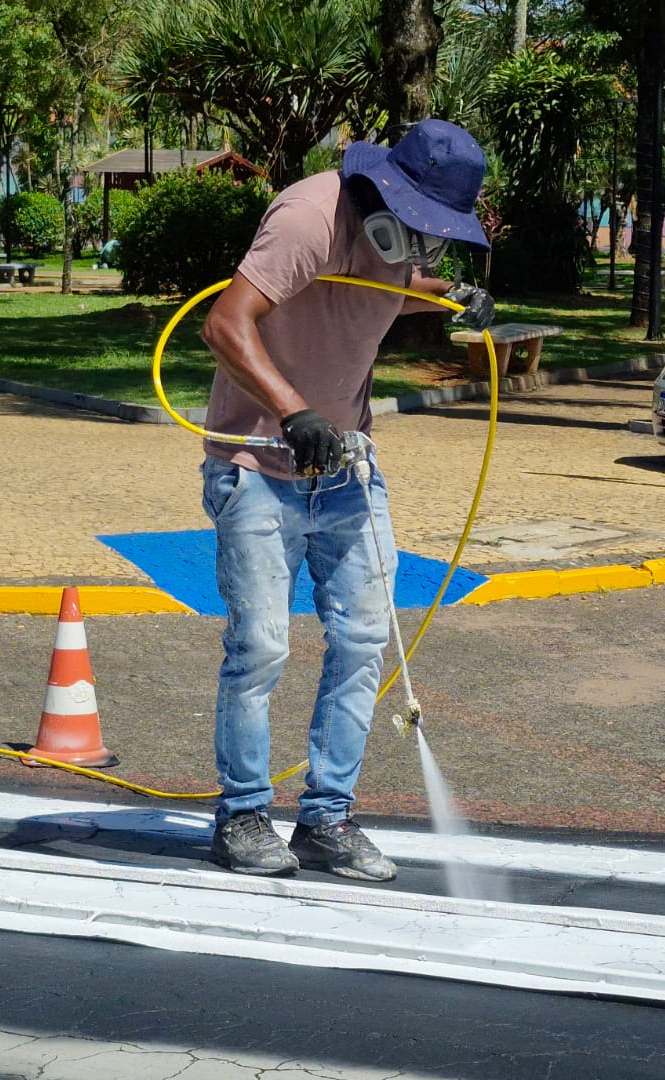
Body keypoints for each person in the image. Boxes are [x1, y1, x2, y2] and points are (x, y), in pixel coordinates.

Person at [198, 118, 494, 881]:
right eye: (423, 228)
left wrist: (450, 299)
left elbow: (380, 294)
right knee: (261, 648)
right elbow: (225, 323)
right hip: (259, 463)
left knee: (364, 643)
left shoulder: (398, 248)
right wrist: (294, 412)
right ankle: (243, 817)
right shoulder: (308, 219)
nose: (427, 244)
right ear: (388, 190)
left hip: (347, 470)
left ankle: (326, 820)